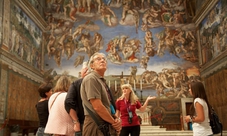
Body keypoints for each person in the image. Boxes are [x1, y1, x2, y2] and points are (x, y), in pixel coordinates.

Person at [80, 52, 122, 136]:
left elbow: (107, 104)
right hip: (95, 123)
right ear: (92, 65)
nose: (102, 60)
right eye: (98, 59)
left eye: (104, 59)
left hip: (105, 122)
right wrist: (114, 122)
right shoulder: (91, 78)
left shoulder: (101, 80)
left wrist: (115, 118)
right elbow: (97, 107)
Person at [65, 62, 88, 136]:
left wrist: (75, 121)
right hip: (97, 122)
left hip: (82, 122)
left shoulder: (76, 83)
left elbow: (68, 102)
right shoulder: (100, 83)